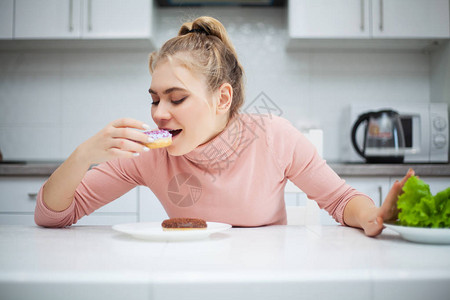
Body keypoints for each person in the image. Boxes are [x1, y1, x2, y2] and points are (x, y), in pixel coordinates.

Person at [34, 16, 414, 237]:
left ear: (222, 99)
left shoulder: (274, 137)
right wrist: (84, 155)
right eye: (154, 98)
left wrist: (375, 217)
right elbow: (53, 216)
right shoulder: (150, 153)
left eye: (176, 98)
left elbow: (341, 200)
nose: (159, 114)